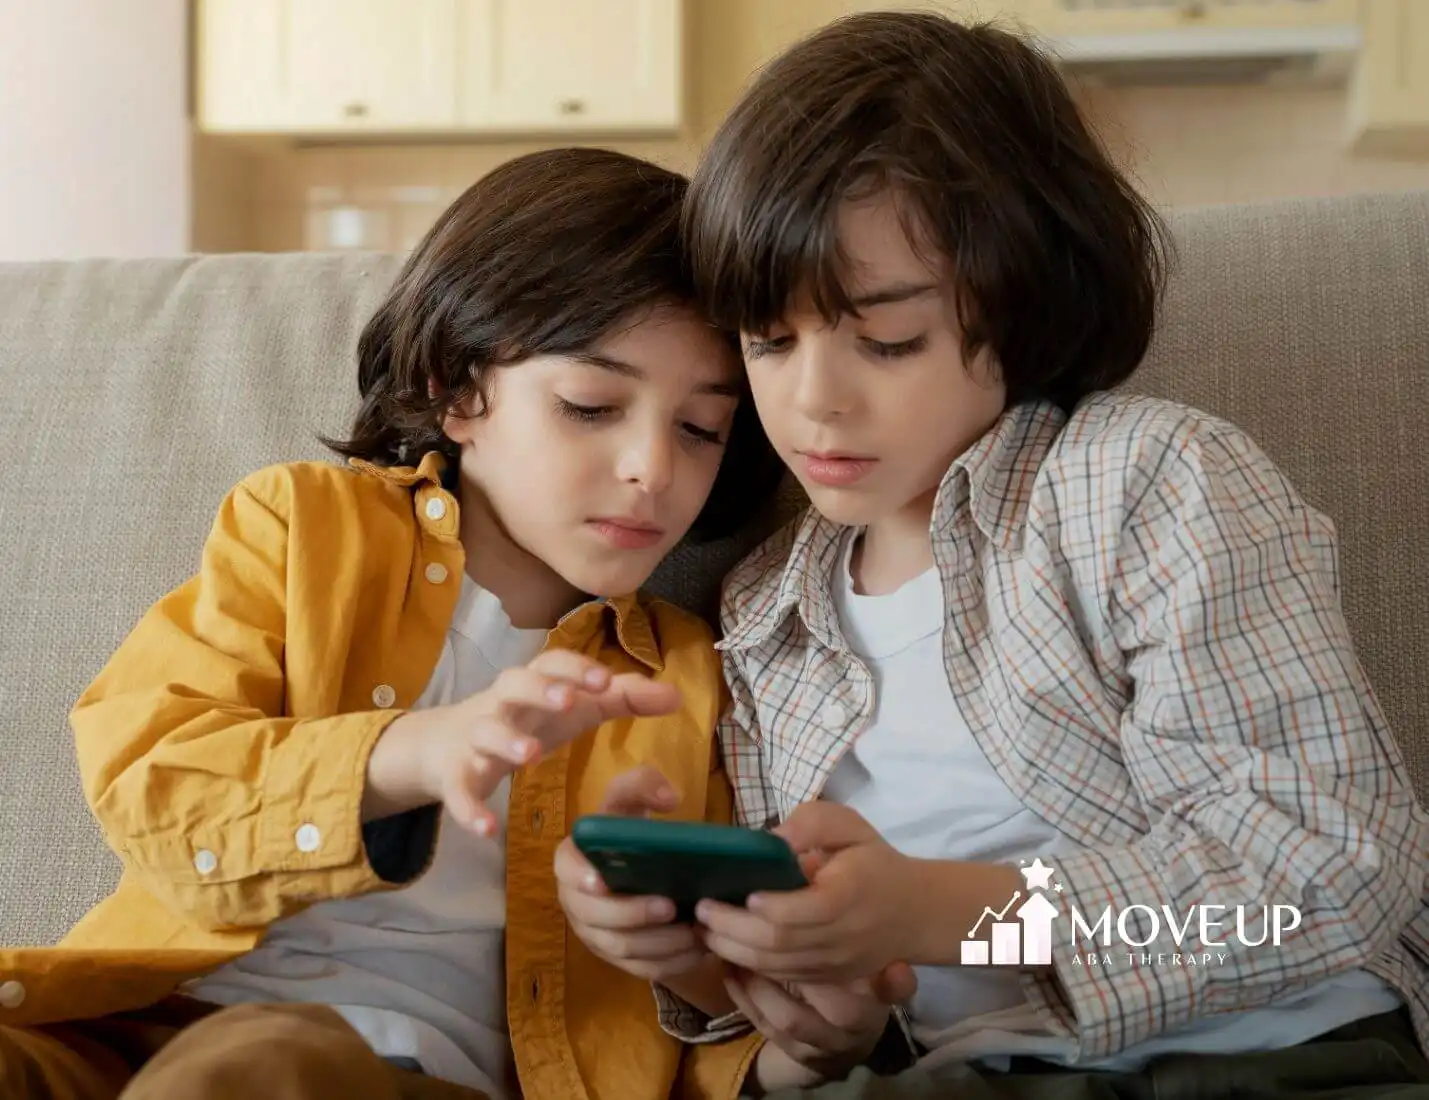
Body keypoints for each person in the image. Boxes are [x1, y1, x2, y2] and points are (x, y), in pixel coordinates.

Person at [651, 11, 1429, 1098]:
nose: (811, 398)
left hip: (1272, 1051)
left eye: (886, 339)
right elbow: (844, 1024)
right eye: (767, 340)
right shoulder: (765, 612)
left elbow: (1326, 871)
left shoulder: (1149, 481)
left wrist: (940, 909)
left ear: (1023, 302)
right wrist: (800, 991)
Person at [0, 147, 786, 1100]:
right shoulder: (302, 528)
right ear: (459, 392)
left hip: (387, 1067)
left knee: (262, 1064)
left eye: (700, 428)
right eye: (591, 405)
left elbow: (719, 1016)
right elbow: (150, 782)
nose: (651, 469)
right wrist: (406, 753)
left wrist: (666, 943)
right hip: (135, 1025)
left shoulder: (684, 672)